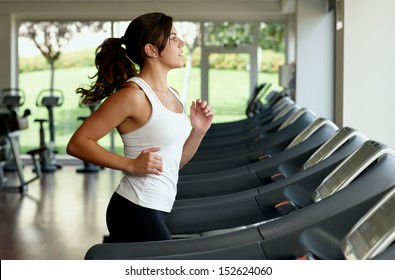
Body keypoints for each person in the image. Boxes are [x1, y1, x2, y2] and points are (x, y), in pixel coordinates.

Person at [66, 12, 214, 243]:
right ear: (151, 50)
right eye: (173, 37)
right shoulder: (132, 96)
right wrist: (130, 165)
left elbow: (174, 163)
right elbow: (77, 143)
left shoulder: (173, 95)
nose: (181, 42)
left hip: (159, 207)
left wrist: (198, 131)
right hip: (135, 207)